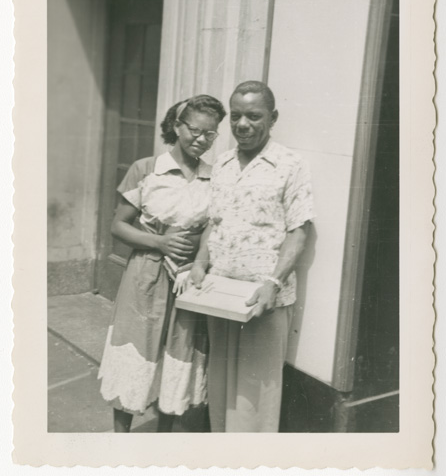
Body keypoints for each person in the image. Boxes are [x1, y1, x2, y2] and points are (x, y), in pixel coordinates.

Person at [189, 80, 315, 432]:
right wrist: (199, 263)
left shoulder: (290, 164)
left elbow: (299, 230)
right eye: (236, 116)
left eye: (254, 116)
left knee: (255, 394)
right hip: (219, 294)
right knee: (220, 383)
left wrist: (273, 283)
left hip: (262, 299)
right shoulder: (223, 163)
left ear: (273, 118)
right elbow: (214, 222)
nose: (242, 124)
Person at [98, 94, 226, 432]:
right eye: (194, 130)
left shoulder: (214, 177)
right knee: (134, 353)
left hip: (187, 280)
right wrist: (160, 242)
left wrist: (198, 263)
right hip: (146, 275)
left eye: (210, 134)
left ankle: (162, 439)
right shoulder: (147, 169)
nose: (201, 139)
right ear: (177, 126)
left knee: (179, 354)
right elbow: (118, 226)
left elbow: (211, 227)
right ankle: (120, 441)